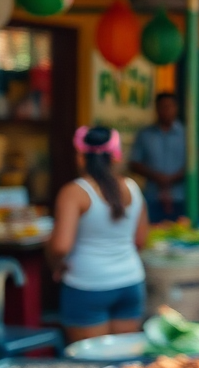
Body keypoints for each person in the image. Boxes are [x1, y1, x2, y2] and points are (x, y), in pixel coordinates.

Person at [47, 127, 148, 345]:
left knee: (90, 366)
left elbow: (60, 247)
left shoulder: (74, 192)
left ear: (81, 156)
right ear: (115, 155)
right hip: (130, 282)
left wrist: (56, 265)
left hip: (87, 284)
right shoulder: (132, 187)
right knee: (125, 364)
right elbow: (140, 240)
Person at [129, 93, 186, 223]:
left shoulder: (186, 134)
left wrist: (172, 178)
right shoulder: (145, 135)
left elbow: (195, 163)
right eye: (162, 107)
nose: (166, 110)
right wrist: (157, 177)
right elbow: (134, 163)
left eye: (169, 106)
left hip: (180, 196)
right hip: (152, 196)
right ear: (156, 108)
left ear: (176, 108)